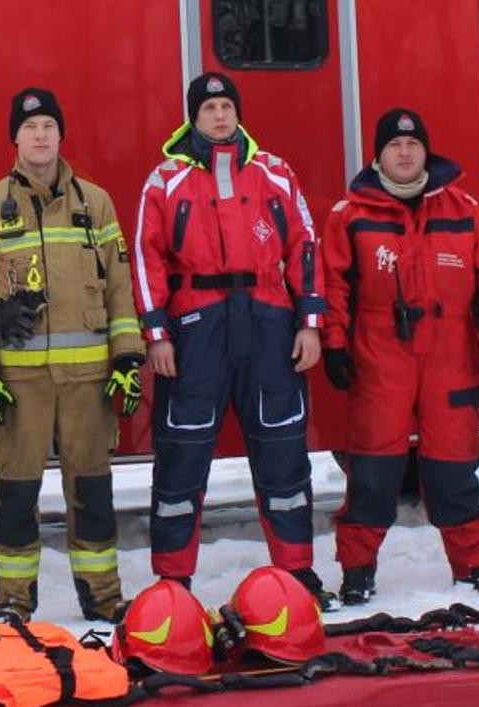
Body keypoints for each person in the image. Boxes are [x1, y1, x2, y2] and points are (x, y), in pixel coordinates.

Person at [131, 72, 331, 607]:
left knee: (283, 452)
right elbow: (147, 257)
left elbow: (304, 245)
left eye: (226, 107)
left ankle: (297, 573)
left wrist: (310, 322)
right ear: (193, 117)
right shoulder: (166, 179)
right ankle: (173, 583)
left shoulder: (274, 173)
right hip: (197, 328)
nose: (220, 116)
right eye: (210, 108)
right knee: (182, 455)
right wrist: (157, 335)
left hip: (269, 323)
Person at [0, 88, 142, 622]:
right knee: (16, 498)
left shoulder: (95, 203)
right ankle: (14, 604)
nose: (40, 136)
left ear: (61, 136)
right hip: (18, 385)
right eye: (30, 127)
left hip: (87, 381)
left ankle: (103, 598)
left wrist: (127, 359)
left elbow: (120, 288)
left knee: (93, 496)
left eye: (49, 127)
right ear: (15, 137)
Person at [319, 109, 479, 604]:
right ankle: (358, 571)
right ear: (378, 155)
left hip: (450, 354)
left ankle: (474, 565)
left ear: (425, 151)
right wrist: (335, 343)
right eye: (394, 145)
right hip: (379, 356)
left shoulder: (464, 207)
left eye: (412, 144)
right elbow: (334, 286)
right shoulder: (350, 213)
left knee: (454, 470)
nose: (404, 152)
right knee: (373, 474)